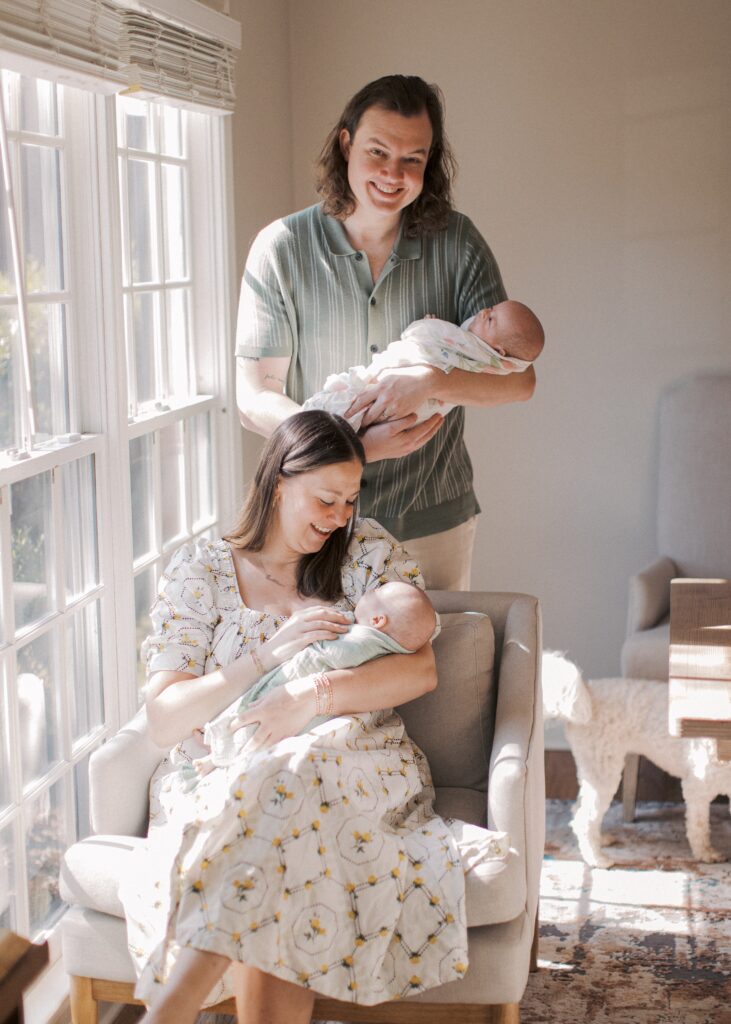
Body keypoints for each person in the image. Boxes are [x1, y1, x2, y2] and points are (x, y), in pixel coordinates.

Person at [120, 410, 507, 1024]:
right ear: (279, 483)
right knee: (277, 804)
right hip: (224, 770)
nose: (339, 518)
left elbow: (420, 671)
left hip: (353, 761)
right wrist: (267, 657)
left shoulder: (367, 554)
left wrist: (309, 696)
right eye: (326, 500)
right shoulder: (201, 573)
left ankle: (171, 1009)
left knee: (292, 773)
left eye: (350, 501)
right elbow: (166, 721)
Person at [236, 75, 539, 592]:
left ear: (430, 161)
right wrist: (346, 447)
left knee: (442, 647)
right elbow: (254, 397)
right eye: (377, 152)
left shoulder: (459, 243)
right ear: (346, 144)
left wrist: (429, 383)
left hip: (433, 519)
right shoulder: (280, 247)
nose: (392, 174)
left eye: (412, 159)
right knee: (324, 646)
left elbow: (519, 379)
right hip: (313, 520)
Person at [201, 581, 440, 768]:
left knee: (256, 726)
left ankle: (218, 756)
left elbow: (423, 673)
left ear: (377, 620)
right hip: (298, 705)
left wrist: (314, 688)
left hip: (323, 718)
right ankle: (217, 755)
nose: (369, 591)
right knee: (255, 723)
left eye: (375, 591)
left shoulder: (365, 637)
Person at [303, 299, 544, 429]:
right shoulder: (477, 339)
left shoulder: (486, 357)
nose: (482, 312)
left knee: (355, 405)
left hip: (428, 478)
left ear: (499, 352)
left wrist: (431, 381)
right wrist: (367, 449)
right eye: (489, 309)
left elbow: (524, 384)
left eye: (490, 319)